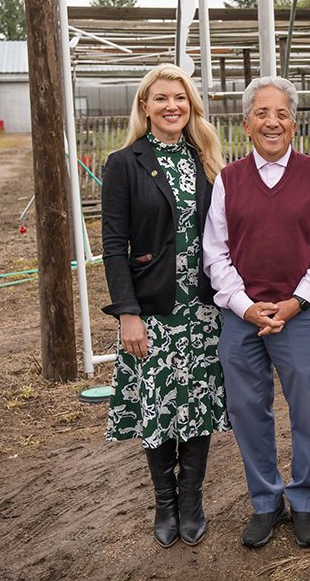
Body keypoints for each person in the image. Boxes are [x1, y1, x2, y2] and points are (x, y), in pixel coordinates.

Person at [202, 76, 310, 548]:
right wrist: (245, 307)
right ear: (246, 124)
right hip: (242, 317)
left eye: (282, 113)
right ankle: (265, 502)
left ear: (294, 122)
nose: (272, 121)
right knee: (248, 410)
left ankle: (305, 501)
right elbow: (215, 253)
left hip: (300, 315)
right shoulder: (228, 180)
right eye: (262, 113)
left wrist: (295, 301)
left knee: (305, 409)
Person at [102, 62, 229, 548]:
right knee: (158, 406)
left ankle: (192, 499)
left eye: (180, 98)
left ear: (191, 105)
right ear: (145, 106)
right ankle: (165, 502)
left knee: (195, 404)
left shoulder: (207, 160)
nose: (171, 106)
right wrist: (127, 313)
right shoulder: (124, 163)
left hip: (202, 310)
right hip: (152, 311)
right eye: (161, 98)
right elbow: (114, 245)